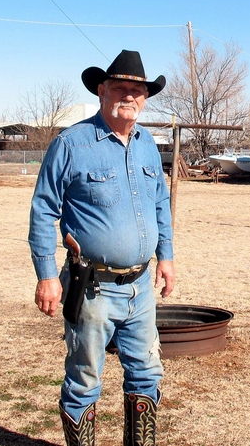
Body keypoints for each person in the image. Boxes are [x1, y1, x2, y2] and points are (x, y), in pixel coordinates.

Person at [28, 49, 175, 446]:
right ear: (102, 91)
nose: (130, 96)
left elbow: (160, 202)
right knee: (85, 379)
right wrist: (45, 275)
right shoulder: (71, 144)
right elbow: (43, 210)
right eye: (121, 88)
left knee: (146, 372)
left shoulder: (147, 144)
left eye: (138, 91)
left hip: (141, 287)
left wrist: (167, 257)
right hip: (91, 286)